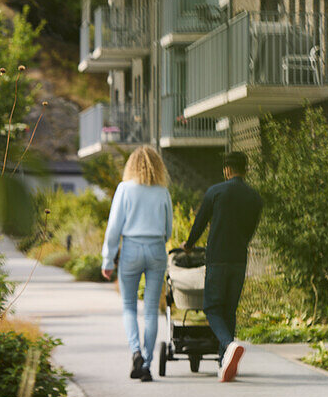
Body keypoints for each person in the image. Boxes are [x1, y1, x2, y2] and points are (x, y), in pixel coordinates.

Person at [183, 151, 263, 382]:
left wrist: (188, 245)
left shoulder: (215, 192)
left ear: (226, 170)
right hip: (239, 258)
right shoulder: (255, 198)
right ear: (246, 170)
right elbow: (249, 231)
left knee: (212, 308)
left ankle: (228, 347)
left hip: (217, 258)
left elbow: (200, 222)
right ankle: (223, 364)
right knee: (229, 310)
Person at [101, 145, 174, 383]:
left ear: (131, 166)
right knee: (152, 309)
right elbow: (168, 229)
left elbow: (113, 228)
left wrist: (108, 258)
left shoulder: (124, 189)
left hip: (131, 247)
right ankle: (147, 364)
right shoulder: (162, 191)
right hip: (156, 249)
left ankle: (135, 353)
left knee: (129, 305)